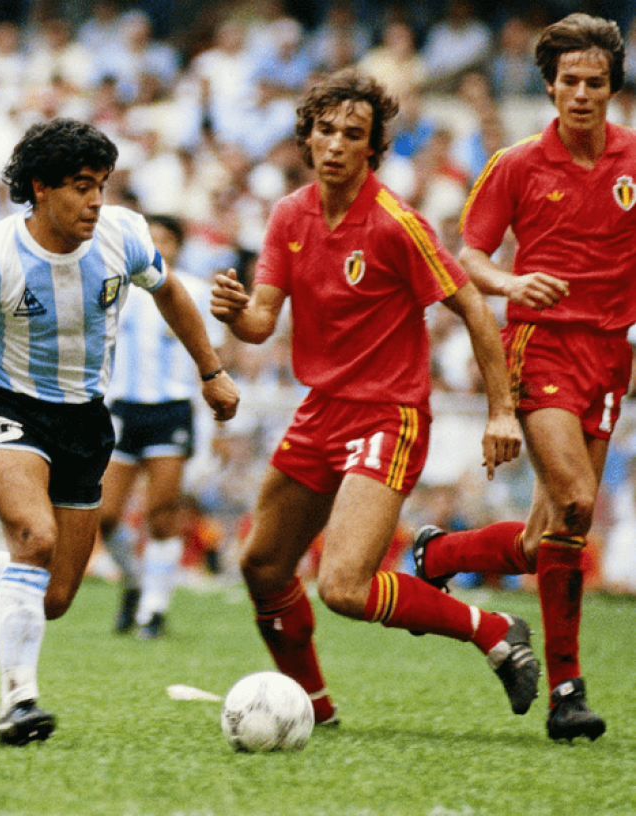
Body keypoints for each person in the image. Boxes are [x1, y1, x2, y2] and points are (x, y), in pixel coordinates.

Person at [0, 118, 239, 745]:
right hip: (9, 407)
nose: (96, 201)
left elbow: (170, 293)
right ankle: (19, 702)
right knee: (33, 542)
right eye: (81, 187)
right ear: (40, 188)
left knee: (55, 594)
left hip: (87, 418)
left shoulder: (123, 234)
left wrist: (211, 370)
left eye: (102, 186)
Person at [209, 69, 536, 728]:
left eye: (352, 134)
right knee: (262, 565)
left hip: (391, 413)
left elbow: (472, 305)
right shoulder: (288, 215)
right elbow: (260, 323)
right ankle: (316, 711)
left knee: (343, 587)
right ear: (307, 136)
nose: (335, 144)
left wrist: (502, 411)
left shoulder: (396, 224)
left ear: (372, 149)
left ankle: (493, 628)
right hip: (321, 409)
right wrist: (232, 311)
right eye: (325, 129)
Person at [411, 13, 633, 743]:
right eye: (569, 82)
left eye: (594, 83)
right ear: (549, 86)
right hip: (539, 346)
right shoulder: (516, 164)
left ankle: (439, 553)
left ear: (612, 87)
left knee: (553, 537)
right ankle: (567, 692)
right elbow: (467, 257)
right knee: (574, 500)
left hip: (608, 357)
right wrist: (513, 281)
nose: (581, 94)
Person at [98, 214, 225, 638]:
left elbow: (214, 355)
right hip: (120, 408)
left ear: (178, 246)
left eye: (166, 240)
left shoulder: (194, 291)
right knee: (105, 516)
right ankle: (134, 583)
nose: (157, 246)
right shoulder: (113, 289)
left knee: (160, 513)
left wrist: (213, 428)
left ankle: (153, 608)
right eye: (149, 238)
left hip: (170, 410)